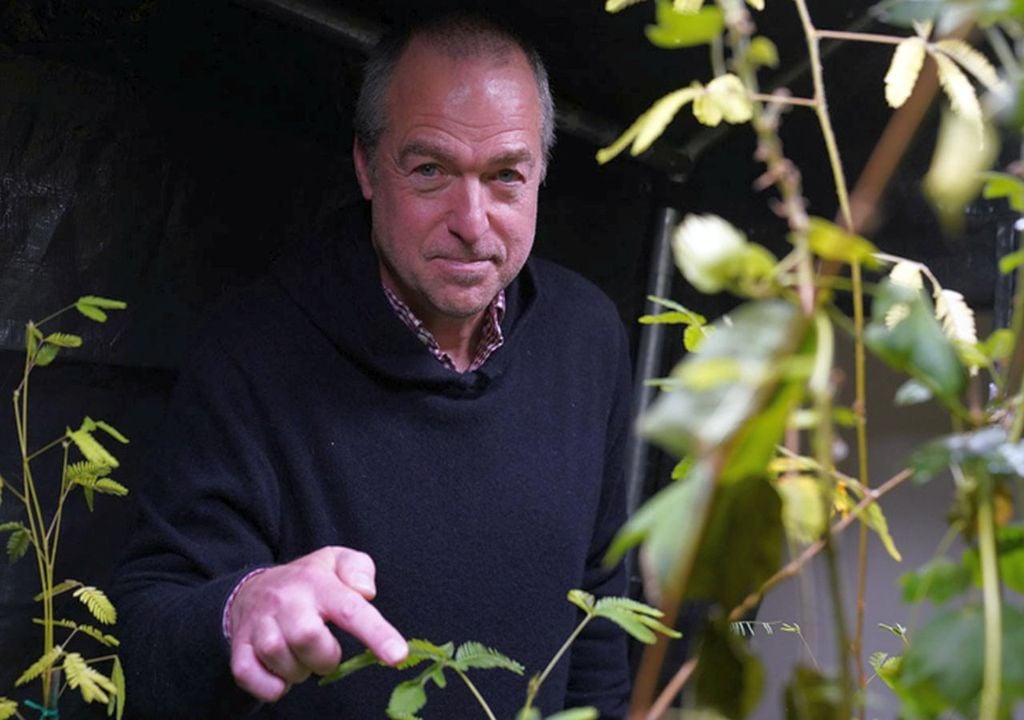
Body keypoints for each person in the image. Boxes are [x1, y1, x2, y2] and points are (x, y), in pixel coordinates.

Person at [113, 12, 633, 719]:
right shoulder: (256, 349)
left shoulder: (588, 338)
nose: (472, 222)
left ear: (541, 172)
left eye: (506, 176)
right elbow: (148, 632)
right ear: (366, 165)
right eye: (430, 170)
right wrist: (241, 605)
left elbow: (600, 615)